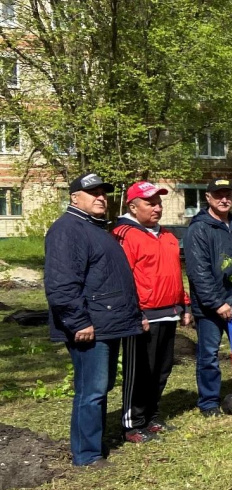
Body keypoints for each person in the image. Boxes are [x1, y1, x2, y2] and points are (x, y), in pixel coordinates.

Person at [45, 173, 144, 467]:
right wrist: (78, 322)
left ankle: (94, 445)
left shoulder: (95, 228)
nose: (101, 197)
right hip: (90, 326)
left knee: (100, 388)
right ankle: (86, 455)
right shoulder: (67, 230)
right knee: (91, 390)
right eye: (93, 192)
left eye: (103, 192)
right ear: (75, 198)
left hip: (107, 321)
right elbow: (61, 284)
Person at [112, 181, 191, 443]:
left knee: (161, 369)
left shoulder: (167, 235)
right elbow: (122, 280)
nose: (156, 208)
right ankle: (132, 423)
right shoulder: (125, 234)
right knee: (140, 372)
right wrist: (135, 313)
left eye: (159, 202)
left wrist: (184, 304)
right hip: (143, 316)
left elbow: (175, 275)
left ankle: (151, 416)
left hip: (169, 312)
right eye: (150, 203)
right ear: (133, 207)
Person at [184, 178, 232, 417]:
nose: (224, 199)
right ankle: (209, 402)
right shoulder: (199, 228)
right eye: (218, 195)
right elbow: (198, 271)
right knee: (209, 355)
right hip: (211, 307)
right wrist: (216, 303)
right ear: (208, 198)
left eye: (228, 195)